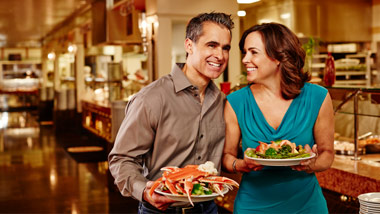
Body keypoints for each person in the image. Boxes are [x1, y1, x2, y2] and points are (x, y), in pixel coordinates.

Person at [108, 12, 234, 214]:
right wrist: (145, 191)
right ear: (189, 45)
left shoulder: (222, 101)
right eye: (211, 45)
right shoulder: (151, 98)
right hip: (161, 210)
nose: (220, 55)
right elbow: (122, 159)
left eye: (225, 48)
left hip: (208, 208)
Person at [222, 23, 335, 213]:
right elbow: (227, 157)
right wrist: (242, 164)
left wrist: (311, 164)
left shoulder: (318, 97)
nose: (245, 59)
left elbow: (327, 154)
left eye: (253, 52)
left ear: (277, 57)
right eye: (245, 52)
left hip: (307, 206)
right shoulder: (236, 102)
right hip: (253, 207)